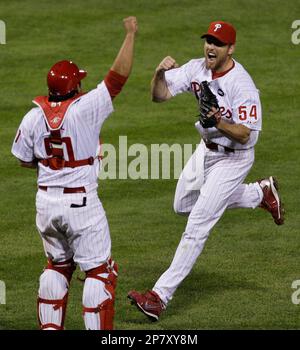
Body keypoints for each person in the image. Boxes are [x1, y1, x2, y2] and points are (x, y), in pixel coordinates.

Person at [128, 21, 284, 321]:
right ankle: (258, 193)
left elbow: (248, 136)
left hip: (234, 159)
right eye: (209, 40)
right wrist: (158, 73)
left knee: (197, 225)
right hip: (206, 152)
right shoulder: (196, 68)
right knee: (182, 204)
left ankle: (159, 297)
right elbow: (159, 96)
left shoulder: (242, 85)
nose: (211, 47)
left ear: (231, 49)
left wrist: (219, 122)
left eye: (218, 43)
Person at [11, 16, 138, 330]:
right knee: (99, 272)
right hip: (81, 205)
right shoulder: (86, 108)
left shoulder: (31, 117)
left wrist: (56, 166)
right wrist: (130, 34)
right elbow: (117, 78)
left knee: (58, 266)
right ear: (76, 86)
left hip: (45, 205)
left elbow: (24, 161)